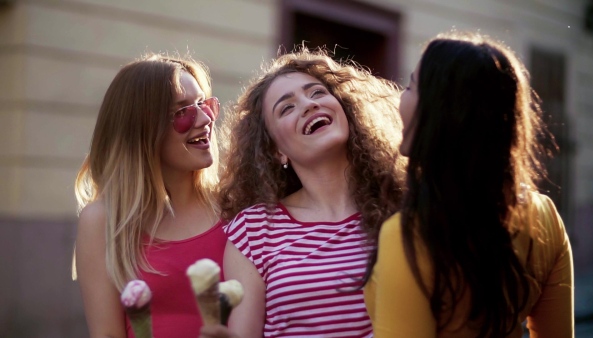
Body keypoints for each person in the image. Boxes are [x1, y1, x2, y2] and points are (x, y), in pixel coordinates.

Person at [364, 32, 574, 338]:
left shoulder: (410, 236)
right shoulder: (544, 216)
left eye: (410, 86)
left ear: (439, 114)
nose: (401, 97)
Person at [209, 48, 405, 337]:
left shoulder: (401, 203)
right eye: (286, 108)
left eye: (316, 93)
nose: (308, 105)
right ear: (276, 150)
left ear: (347, 109)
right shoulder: (253, 230)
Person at [74, 53, 226, 338]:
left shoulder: (234, 205)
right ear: (142, 128)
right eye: (183, 112)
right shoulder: (102, 221)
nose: (205, 118)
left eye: (203, 104)